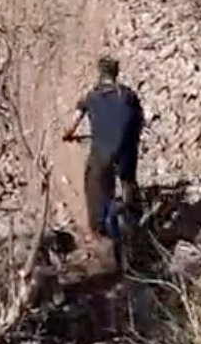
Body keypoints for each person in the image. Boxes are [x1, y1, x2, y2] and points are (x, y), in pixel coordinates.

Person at [62, 56, 145, 240]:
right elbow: (139, 120)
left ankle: (99, 229)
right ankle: (134, 218)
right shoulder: (128, 94)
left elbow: (72, 124)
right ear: (116, 73)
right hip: (126, 150)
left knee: (94, 184)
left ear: (100, 73)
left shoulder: (90, 96)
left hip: (102, 153)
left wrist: (67, 135)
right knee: (128, 179)